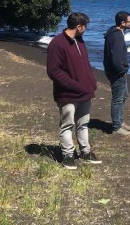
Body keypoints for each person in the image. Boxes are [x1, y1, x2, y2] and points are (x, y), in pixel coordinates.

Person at [46, 12, 101, 169]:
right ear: (79, 26)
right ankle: (68, 154)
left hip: (84, 92)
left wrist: (91, 82)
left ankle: (85, 151)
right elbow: (54, 71)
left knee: (83, 123)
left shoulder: (80, 40)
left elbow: (85, 65)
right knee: (67, 124)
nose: (86, 29)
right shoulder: (57, 43)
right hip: (67, 94)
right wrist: (75, 85)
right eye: (85, 26)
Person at [103, 11, 130, 135]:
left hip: (117, 70)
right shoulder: (116, 36)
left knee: (124, 96)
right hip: (116, 72)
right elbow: (115, 57)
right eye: (129, 21)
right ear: (122, 23)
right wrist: (122, 70)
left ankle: (120, 122)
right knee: (117, 99)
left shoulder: (116, 33)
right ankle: (116, 127)